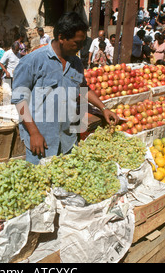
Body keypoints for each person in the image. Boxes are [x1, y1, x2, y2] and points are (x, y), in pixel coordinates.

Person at [11, 12, 119, 165]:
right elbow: (19, 99)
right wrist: (34, 132)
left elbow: (83, 88)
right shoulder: (33, 61)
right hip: (41, 141)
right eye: (76, 43)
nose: (81, 47)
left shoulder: (76, 63)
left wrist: (103, 108)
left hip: (68, 141)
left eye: (83, 43)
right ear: (61, 38)